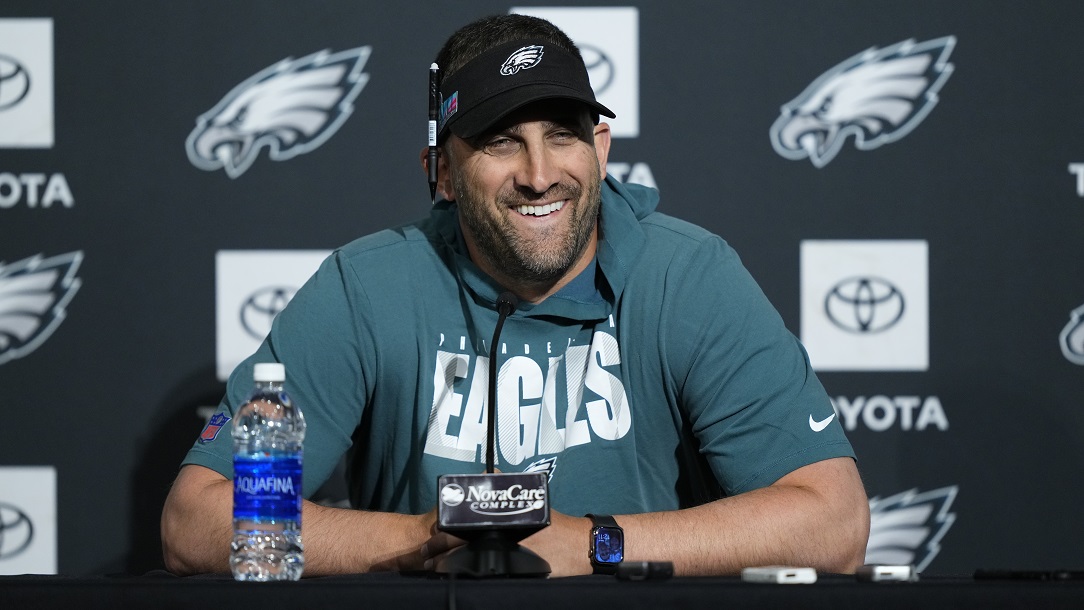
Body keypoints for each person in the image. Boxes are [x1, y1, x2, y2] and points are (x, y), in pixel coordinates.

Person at [161, 13, 869, 578]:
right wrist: (429, 541)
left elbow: (833, 524)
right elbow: (197, 522)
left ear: (602, 148)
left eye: (563, 135)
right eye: (501, 141)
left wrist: (597, 546)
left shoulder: (689, 275)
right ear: (440, 172)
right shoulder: (366, 287)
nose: (539, 174)